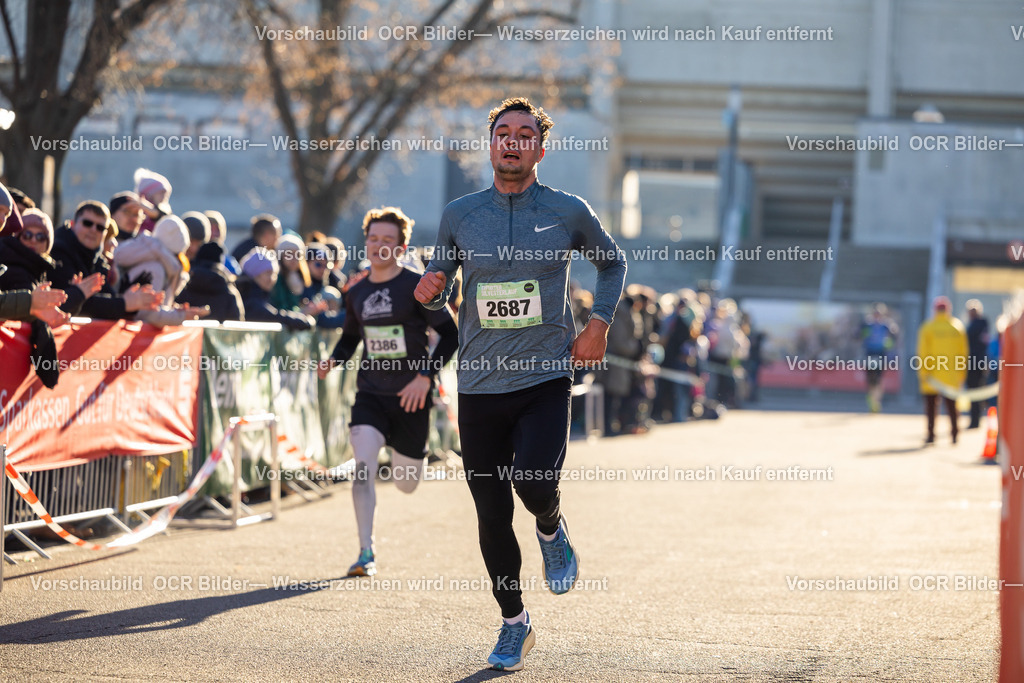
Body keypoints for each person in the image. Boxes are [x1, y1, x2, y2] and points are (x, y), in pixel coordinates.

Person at [414, 96, 627, 671]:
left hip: (544, 375)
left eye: (524, 133)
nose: (512, 141)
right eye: (502, 132)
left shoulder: (567, 209)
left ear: (540, 145)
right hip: (479, 382)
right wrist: (433, 286)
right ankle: (515, 622)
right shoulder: (460, 213)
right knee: (489, 512)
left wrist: (599, 324)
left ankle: (552, 526)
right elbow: (444, 272)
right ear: (491, 144)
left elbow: (612, 263)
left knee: (533, 484)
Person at [318, 206, 458, 577]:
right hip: (371, 395)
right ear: (366, 241)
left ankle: (412, 455)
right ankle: (366, 551)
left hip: (412, 395)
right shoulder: (357, 289)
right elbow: (350, 337)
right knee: (362, 466)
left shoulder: (418, 285)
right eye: (374, 238)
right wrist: (333, 361)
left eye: (388, 240)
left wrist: (425, 376)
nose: (379, 246)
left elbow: (451, 334)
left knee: (406, 482)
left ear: (401, 246)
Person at [50, 200, 162, 319]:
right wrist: (124, 304)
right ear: (73, 224)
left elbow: (106, 299)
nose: (93, 230)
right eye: (87, 223)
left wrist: (131, 299)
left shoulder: (99, 261)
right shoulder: (58, 252)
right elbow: (72, 304)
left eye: (100, 227)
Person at [916, 296, 968, 445]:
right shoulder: (957, 327)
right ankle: (954, 434)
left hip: (932, 375)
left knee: (931, 408)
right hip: (951, 375)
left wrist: (923, 372)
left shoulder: (928, 327)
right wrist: (961, 373)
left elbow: (923, 352)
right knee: (952, 407)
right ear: (948, 309)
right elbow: (962, 353)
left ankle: (931, 435)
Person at [234, 248, 314, 330]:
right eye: (268, 273)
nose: (271, 279)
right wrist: (299, 320)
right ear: (255, 274)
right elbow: (269, 315)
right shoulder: (248, 297)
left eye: (274, 274)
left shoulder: (262, 296)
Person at [860, 303, 898, 413]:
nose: (877, 316)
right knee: (871, 378)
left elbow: (894, 334)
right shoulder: (867, 324)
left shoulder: (886, 325)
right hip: (870, 353)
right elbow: (859, 334)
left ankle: (876, 401)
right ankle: (872, 399)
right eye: (875, 313)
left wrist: (890, 342)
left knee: (878, 378)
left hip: (880, 354)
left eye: (879, 314)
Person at [964, 299, 990, 429]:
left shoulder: (977, 325)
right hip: (978, 361)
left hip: (975, 362)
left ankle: (975, 420)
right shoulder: (982, 324)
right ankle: (975, 419)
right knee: (976, 391)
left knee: (974, 391)